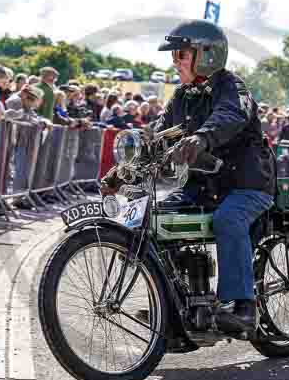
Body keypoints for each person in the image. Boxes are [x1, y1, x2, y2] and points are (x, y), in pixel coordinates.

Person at [101, 19, 274, 334]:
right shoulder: (182, 97)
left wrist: (202, 137)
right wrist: (120, 173)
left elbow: (230, 116)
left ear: (206, 54)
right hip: (202, 186)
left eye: (181, 54)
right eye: (174, 55)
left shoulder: (232, 87)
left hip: (246, 183)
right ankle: (174, 302)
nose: (174, 61)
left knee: (228, 219)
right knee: (156, 218)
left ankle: (243, 306)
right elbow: (157, 136)